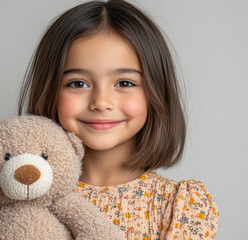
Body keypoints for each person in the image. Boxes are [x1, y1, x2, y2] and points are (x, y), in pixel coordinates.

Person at [17, 0, 220, 239]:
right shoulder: (25, 200)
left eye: (124, 83)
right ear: (49, 91)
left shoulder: (179, 208)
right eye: (78, 83)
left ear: (156, 91)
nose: (101, 102)